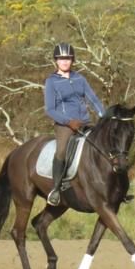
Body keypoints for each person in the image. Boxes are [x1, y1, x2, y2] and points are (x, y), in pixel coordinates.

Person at [43, 42, 104, 205]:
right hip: (65, 125)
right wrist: (68, 121)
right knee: (61, 151)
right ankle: (55, 189)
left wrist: (103, 116)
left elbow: (93, 99)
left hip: (85, 122)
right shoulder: (51, 81)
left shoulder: (80, 78)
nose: (65, 61)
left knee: (104, 144)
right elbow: (49, 109)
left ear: (72, 60)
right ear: (56, 60)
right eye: (62, 58)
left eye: (68, 58)